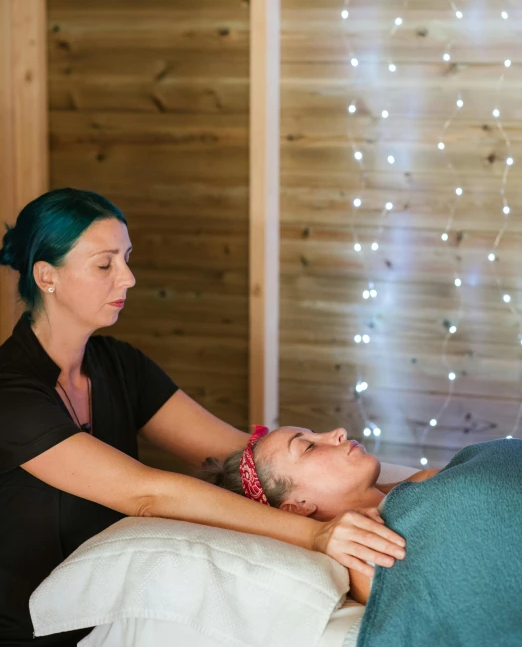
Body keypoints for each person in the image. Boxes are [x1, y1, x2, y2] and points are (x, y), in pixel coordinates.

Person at [0, 188, 407, 647]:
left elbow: (242, 456)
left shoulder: (119, 365)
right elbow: (146, 494)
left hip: (116, 613)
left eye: (127, 258)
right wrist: (316, 535)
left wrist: (391, 487)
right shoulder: (11, 395)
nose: (129, 278)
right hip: (33, 631)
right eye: (105, 264)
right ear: (46, 276)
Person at [200, 424, 438, 604]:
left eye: (314, 434)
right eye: (309, 447)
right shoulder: (369, 559)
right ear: (298, 506)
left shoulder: (422, 483)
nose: (339, 432)